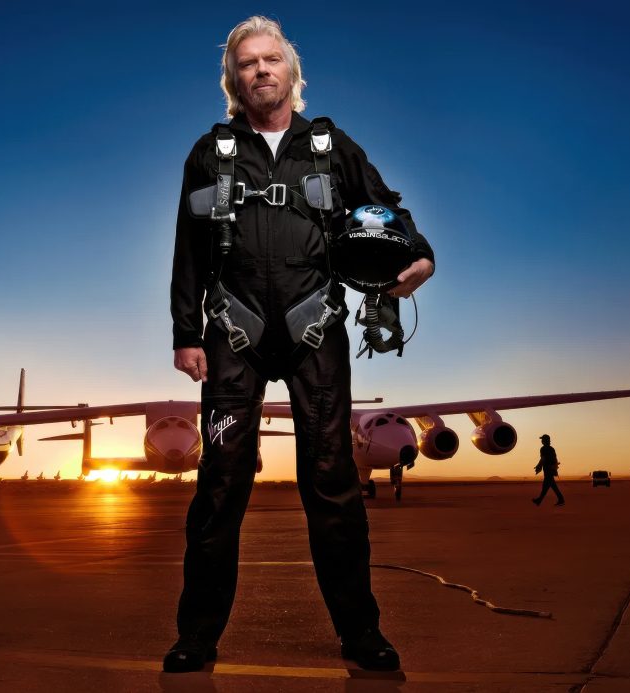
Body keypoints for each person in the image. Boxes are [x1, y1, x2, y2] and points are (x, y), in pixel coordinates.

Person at [167, 16, 434, 673]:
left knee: (332, 480)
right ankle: (196, 637)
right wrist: (185, 333)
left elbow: (385, 207)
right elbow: (188, 247)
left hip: (317, 334)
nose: (261, 70)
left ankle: (362, 633)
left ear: (292, 71)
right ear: (232, 79)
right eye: (248, 62)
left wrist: (420, 256)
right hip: (234, 337)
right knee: (221, 483)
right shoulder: (210, 152)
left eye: (272, 59)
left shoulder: (330, 146)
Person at [532, 434, 564, 506]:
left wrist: (538, 466)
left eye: (542, 440)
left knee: (547, 485)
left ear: (545, 441)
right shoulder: (551, 448)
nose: (541, 441)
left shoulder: (543, 449)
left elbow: (543, 459)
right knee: (550, 485)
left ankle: (540, 500)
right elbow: (554, 459)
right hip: (551, 469)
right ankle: (540, 500)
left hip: (547, 470)